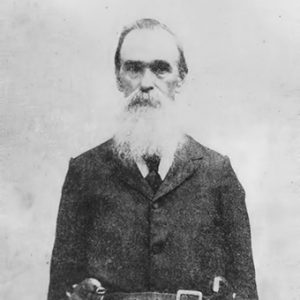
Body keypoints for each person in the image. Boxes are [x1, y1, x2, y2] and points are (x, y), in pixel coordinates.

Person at [48, 19, 258, 300]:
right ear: (118, 77)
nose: (146, 83)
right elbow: (60, 291)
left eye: (160, 69)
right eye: (133, 68)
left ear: (180, 77)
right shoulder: (85, 171)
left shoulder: (217, 173)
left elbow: (246, 291)